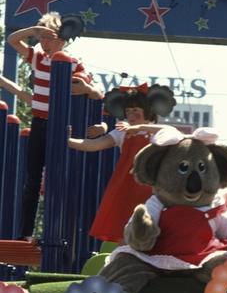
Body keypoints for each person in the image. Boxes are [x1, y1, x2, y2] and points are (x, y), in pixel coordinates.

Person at [8, 12, 103, 240]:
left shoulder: (72, 62)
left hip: (60, 125)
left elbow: (93, 90)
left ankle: (59, 232)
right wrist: (33, 30)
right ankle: (25, 233)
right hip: (39, 123)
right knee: (31, 179)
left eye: (48, 37)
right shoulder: (38, 57)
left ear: (61, 39)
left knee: (59, 177)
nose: (43, 41)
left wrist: (84, 88)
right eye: (41, 36)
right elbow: (12, 40)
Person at [67, 84, 176, 244]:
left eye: (136, 111)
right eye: (128, 112)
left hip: (150, 189)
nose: (131, 116)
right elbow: (94, 144)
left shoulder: (157, 133)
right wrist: (68, 141)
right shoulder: (122, 132)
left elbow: (171, 131)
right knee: (124, 228)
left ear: (148, 111)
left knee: (153, 227)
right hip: (126, 188)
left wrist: (139, 127)